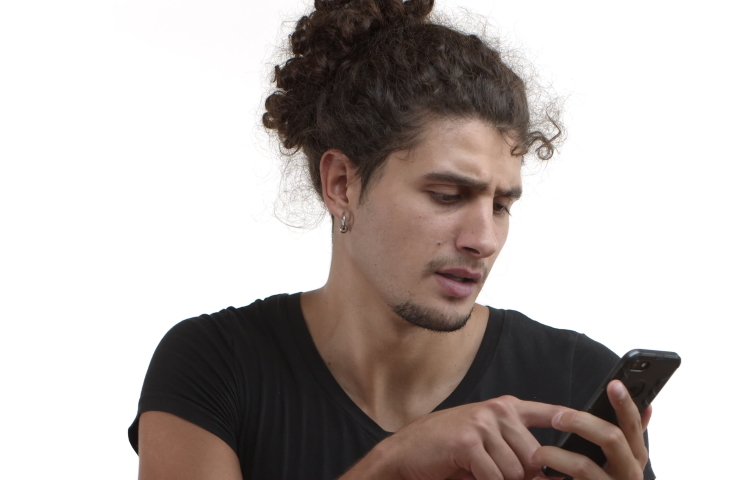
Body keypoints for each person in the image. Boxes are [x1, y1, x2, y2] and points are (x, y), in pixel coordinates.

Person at [129, 1, 656, 479]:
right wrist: (394, 463)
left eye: (500, 206)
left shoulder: (577, 385)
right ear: (342, 184)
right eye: (447, 195)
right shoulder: (217, 365)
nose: (484, 239)